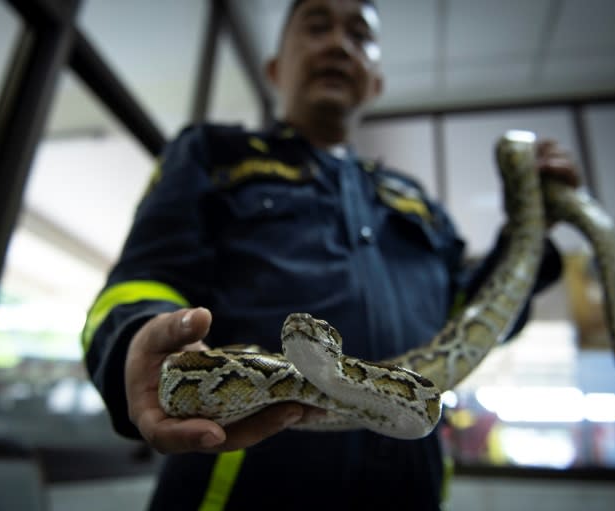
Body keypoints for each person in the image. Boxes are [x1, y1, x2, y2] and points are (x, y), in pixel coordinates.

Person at [81, 0, 580, 509]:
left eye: (359, 35)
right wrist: (136, 335)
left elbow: (468, 320)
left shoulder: (417, 202)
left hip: (408, 490)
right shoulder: (213, 154)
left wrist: (529, 232)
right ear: (275, 68)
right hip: (243, 485)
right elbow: (142, 278)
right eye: (317, 26)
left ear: (376, 82)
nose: (339, 44)